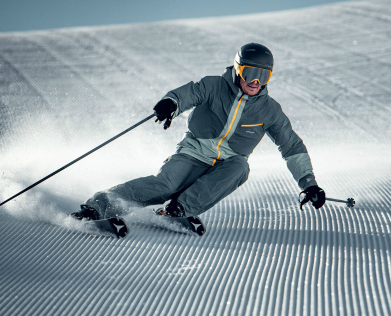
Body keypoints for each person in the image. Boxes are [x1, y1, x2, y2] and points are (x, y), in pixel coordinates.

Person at [71, 42, 326, 225]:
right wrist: (171, 103)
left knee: (241, 167)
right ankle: (99, 206)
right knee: (165, 185)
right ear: (238, 69)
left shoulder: (270, 110)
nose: (255, 81)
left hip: (227, 164)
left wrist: (309, 183)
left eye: (264, 75)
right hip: (193, 153)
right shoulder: (214, 85)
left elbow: (291, 146)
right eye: (250, 73)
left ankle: (178, 209)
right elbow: (189, 93)